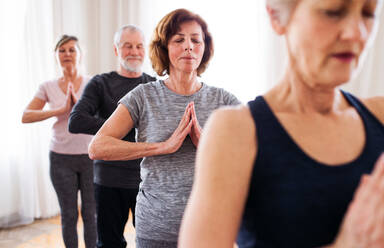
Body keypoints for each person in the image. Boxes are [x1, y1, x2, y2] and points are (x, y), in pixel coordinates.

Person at [179, 0, 384, 247]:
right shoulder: (235, 131)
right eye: (333, 12)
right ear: (277, 18)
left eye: (368, 13)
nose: (357, 33)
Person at [88, 8, 240, 248]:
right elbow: (97, 147)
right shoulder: (143, 96)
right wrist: (162, 147)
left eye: (195, 40)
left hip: (209, 228)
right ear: (164, 48)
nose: (188, 46)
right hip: (156, 227)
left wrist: (207, 145)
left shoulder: (224, 100)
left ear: (204, 48)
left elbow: (255, 155)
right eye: (179, 39)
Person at [68, 25, 155, 248]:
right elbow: (76, 120)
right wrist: (121, 128)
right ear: (117, 50)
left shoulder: (154, 86)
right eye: (128, 46)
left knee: (151, 242)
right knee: (108, 243)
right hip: (108, 180)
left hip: (147, 181)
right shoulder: (100, 83)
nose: (134, 51)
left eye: (139, 46)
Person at [21, 35, 96, 248]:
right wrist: (60, 110)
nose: (67, 54)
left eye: (72, 50)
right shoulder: (47, 86)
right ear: (55, 56)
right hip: (61, 159)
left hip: (91, 157)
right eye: (62, 50)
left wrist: (79, 110)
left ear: (80, 55)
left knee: (91, 213)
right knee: (69, 214)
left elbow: (107, 117)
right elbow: (26, 115)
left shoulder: (93, 83)